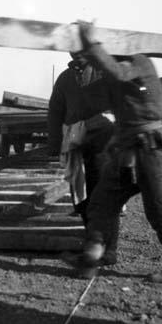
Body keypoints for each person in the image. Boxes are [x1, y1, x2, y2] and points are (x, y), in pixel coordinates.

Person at [71, 20, 162, 284]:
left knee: (160, 209)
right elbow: (109, 104)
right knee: (102, 202)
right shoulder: (113, 76)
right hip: (127, 150)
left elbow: (119, 73)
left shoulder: (140, 64)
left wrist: (91, 42)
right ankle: (91, 259)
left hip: (153, 150)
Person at [47, 52, 117, 260]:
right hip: (76, 145)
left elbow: (121, 103)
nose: (75, 52)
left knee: (105, 196)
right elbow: (55, 111)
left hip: (103, 145)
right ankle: (92, 243)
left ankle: (110, 249)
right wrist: (54, 144)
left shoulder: (104, 72)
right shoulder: (65, 78)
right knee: (81, 196)